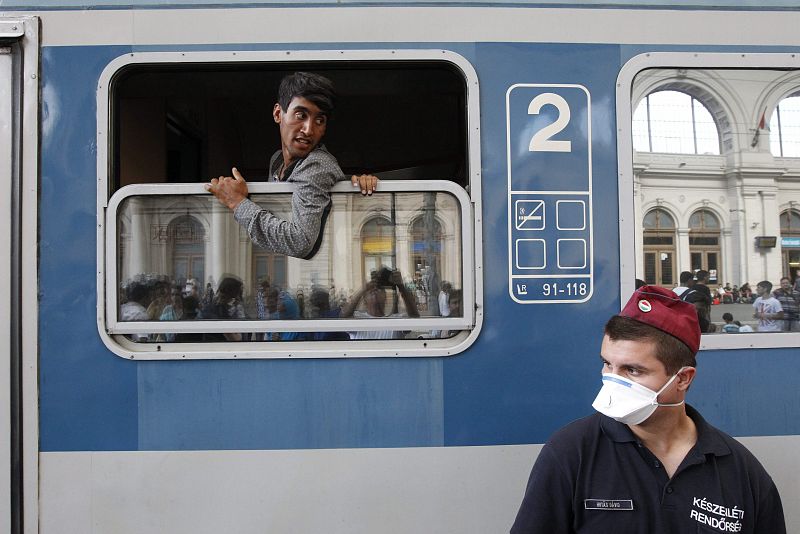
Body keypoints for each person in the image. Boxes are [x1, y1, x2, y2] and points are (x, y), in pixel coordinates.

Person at [511, 285, 785, 534]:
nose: (613, 381)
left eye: (632, 370)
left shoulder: (740, 471)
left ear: (682, 378)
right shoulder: (572, 452)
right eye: (608, 364)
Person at [206, 72, 379, 259]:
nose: (308, 129)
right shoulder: (277, 160)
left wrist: (237, 202)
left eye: (319, 120)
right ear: (278, 113)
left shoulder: (317, 164)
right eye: (300, 115)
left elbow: (300, 242)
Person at [341, 268, 419, 340]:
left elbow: (414, 317)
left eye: (380, 289)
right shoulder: (358, 318)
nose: (375, 289)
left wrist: (401, 286)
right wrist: (363, 289)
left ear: (385, 297)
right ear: (364, 300)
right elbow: (343, 317)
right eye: (370, 290)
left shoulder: (395, 320)